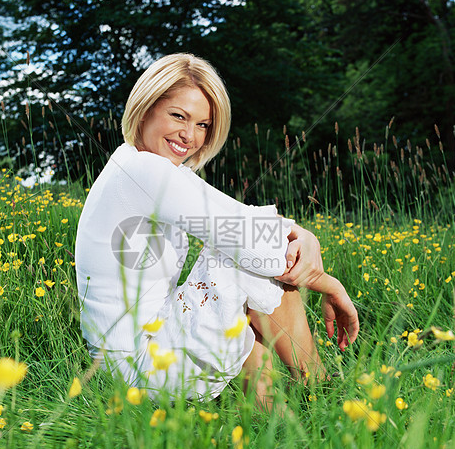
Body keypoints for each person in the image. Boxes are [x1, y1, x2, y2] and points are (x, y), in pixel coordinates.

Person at [75, 53, 359, 411]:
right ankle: (324, 393)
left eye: (203, 125)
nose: (189, 136)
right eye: (178, 116)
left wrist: (303, 236)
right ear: (145, 109)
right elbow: (253, 238)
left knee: (242, 270)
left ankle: (268, 420)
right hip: (140, 367)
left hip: (129, 360)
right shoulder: (144, 171)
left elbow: (241, 226)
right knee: (247, 261)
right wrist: (328, 283)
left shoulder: (133, 165)